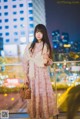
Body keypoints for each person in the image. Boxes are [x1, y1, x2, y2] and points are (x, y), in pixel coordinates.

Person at [22, 24, 59, 119]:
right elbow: (25, 61)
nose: (38, 34)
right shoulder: (30, 46)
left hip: (42, 75)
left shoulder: (46, 45)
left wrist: (47, 60)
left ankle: (44, 115)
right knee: (33, 94)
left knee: (43, 94)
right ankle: (35, 115)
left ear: (44, 34)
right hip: (32, 75)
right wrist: (25, 75)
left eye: (41, 32)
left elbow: (50, 62)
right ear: (34, 33)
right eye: (37, 32)